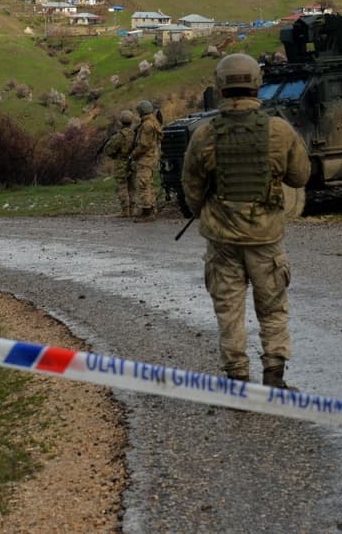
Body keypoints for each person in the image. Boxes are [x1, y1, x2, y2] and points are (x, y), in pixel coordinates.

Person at [182, 53, 311, 388]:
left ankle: (237, 378)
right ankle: (274, 377)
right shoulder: (279, 130)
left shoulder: (203, 133)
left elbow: (192, 188)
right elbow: (300, 177)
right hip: (265, 237)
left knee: (229, 310)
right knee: (272, 308)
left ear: (220, 86)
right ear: (256, 83)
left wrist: (208, 214)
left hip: (222, 239)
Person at [128, 99, 162, 222]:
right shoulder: (153, 121)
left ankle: (147, 212)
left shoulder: (147, 124)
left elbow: (143, 145)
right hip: (150, 157)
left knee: (143, 184)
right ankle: (151, 210)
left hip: (145, 158)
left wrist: (133, 155)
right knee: (147, 184)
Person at [103, 109, 138, 217]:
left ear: (121, 121)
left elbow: (108, 150)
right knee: (132, 187)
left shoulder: (119, 136)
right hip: (133, 163)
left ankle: (125, 211)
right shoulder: (135, 134)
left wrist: (115, 156)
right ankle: (133, 210)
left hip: (121, 164)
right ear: (131, 121)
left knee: (122, 187)